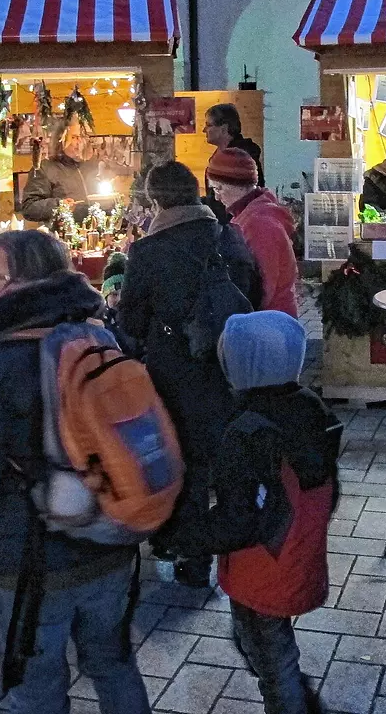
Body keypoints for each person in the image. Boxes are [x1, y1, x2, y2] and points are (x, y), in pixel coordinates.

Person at [0, 231, 150, 714]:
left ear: (21, 284)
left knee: (36, 685)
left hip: (31, 563)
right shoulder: (102, 336)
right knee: (114, 664)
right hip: (111, 542)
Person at [164, 311, 339, 714]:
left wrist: (182, 536)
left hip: (261, 566)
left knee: (271, 663)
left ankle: (296, 704)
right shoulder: (310, 408)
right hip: (299, 553)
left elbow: (238, 520)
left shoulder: (247, 431)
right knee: (266, 644)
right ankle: (302, 697)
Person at [118, 162, 262, 587]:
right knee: (226, 446)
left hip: (176, 366)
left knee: (184, 456)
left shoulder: (148, 250)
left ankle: (190, 550)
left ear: (155, 199)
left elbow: (131, 320)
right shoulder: (227, 234)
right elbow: (251, 289)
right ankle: (238, 535)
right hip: (230, 359)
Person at [207, 147, 299, 317]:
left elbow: (262, 287)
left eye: (218, 189)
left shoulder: (260, 224)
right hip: (271, 320)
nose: (217, 197)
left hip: (269, 324)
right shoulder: (250, 215)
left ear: (238, 185)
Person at [20, 113, 94, 223]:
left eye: (81, 137)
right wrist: (59, 205)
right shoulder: (44, 168)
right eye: (74, 137)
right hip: (60, 236)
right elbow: (29, 208)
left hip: (93, 234)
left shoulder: (90, 167)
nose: (79, 142)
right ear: (61, 139)